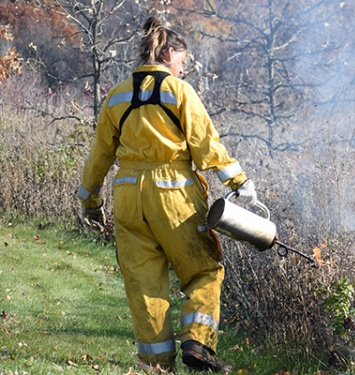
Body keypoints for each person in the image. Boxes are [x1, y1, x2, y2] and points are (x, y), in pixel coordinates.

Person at [77, 16, 256, 372]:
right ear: (169, 53)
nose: (183, 69)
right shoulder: (179, 92)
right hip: (174, 196)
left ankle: (157, 364)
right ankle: (198, 342)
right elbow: (206, 146)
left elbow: (99, 156)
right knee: (204, 270)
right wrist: (239, 183)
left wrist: (90, 202)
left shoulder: (117, 95)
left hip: (128, 198)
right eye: (182, 62)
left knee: (145, 284)